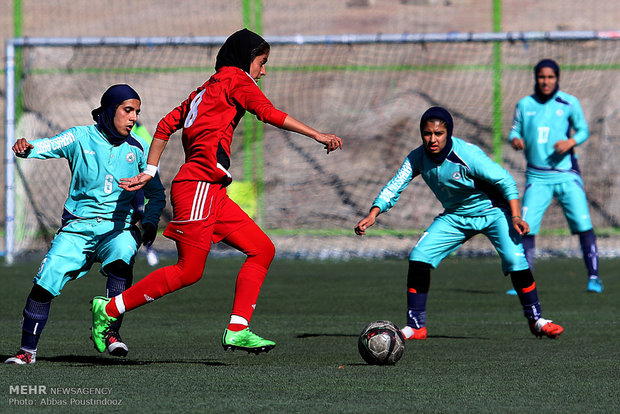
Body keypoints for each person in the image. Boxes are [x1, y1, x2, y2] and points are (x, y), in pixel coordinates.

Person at [90, 28, 343, 355]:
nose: (263, 71)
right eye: (262, 62)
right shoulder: (238, 81)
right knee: (188, 271)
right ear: (246, 58)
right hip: (198, 185)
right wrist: (318, 135)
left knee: (262, 249)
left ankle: (238, 328)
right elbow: (268, 114)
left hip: (211, 190)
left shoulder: (205, 89)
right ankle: (108, 310)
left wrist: (150, 170)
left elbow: (165, 124)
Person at [355, 106, 563, 341]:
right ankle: (415, 326)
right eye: (427, 133)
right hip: (455, 216)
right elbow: (395, 185)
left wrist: (515, 216)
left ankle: (537, 320)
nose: (432, 139)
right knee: (419, 256)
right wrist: (374, 213)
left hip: (492, 211)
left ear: (449, 133)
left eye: (438, 133)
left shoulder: (467, 154)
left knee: (516, 260)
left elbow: (506, 180)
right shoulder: (417, 157)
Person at [5, 85, 166, 364]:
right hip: (77, 229)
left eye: (137, 112)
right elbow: (48, 145)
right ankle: (27, 352)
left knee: (123, 254)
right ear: (108, 110)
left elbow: (156, 193)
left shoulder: (137, 150)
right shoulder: (80, 137)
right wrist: (28, 148)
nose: (133, 117)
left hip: (117, 229)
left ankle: (110, 332)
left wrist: (150, 222)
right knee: (44, 284)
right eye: (128, 110)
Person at [507, 59, 602, 294]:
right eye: (541, 77)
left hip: (566, 175)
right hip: (537, 178)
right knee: (525, 227)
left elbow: (583, 130)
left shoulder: (569, 102)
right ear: (535, 78)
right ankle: (524, 283)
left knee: (583, 224)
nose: (545, 81)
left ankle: (594, 277)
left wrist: (570, 142)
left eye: (550, 77)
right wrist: (515, 140)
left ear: (557, 78)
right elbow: (515, 130)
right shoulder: (524, 104)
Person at [132, 122, 161, 267]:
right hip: (121, 182)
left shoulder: (140, 132)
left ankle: (149, 249)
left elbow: (153, 159)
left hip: (138, 182)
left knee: (140, 213)